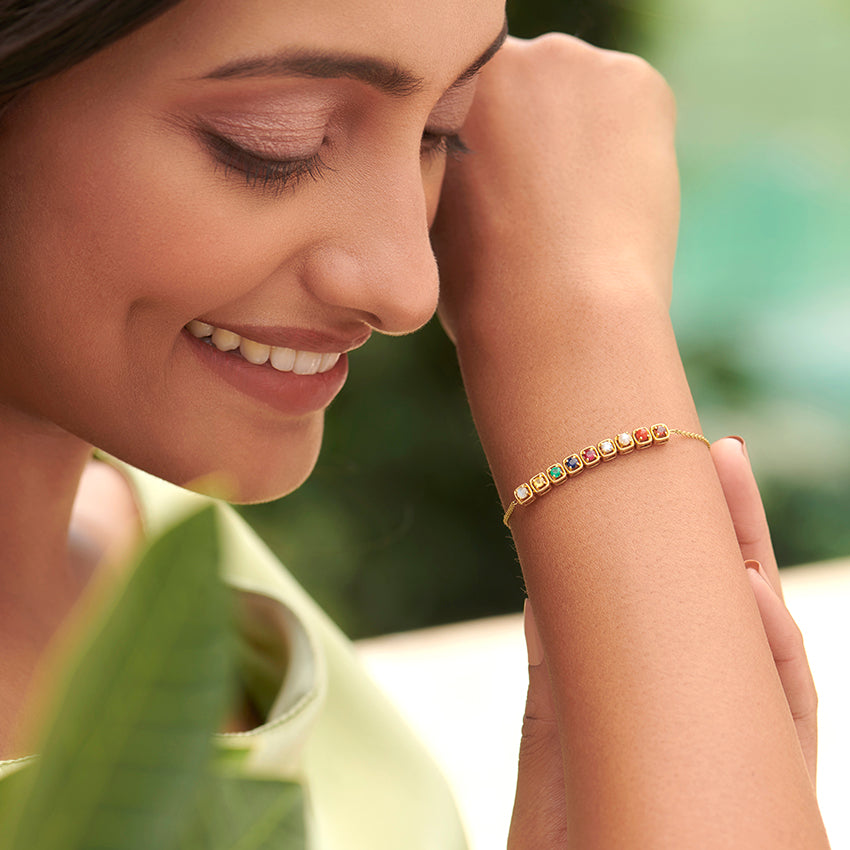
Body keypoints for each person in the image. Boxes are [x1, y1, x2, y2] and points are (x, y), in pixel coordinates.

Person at [0, 0, 828, 847]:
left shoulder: (167, 551)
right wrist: (580, 321)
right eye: (275, 143)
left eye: (442, 132)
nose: (409, 290)